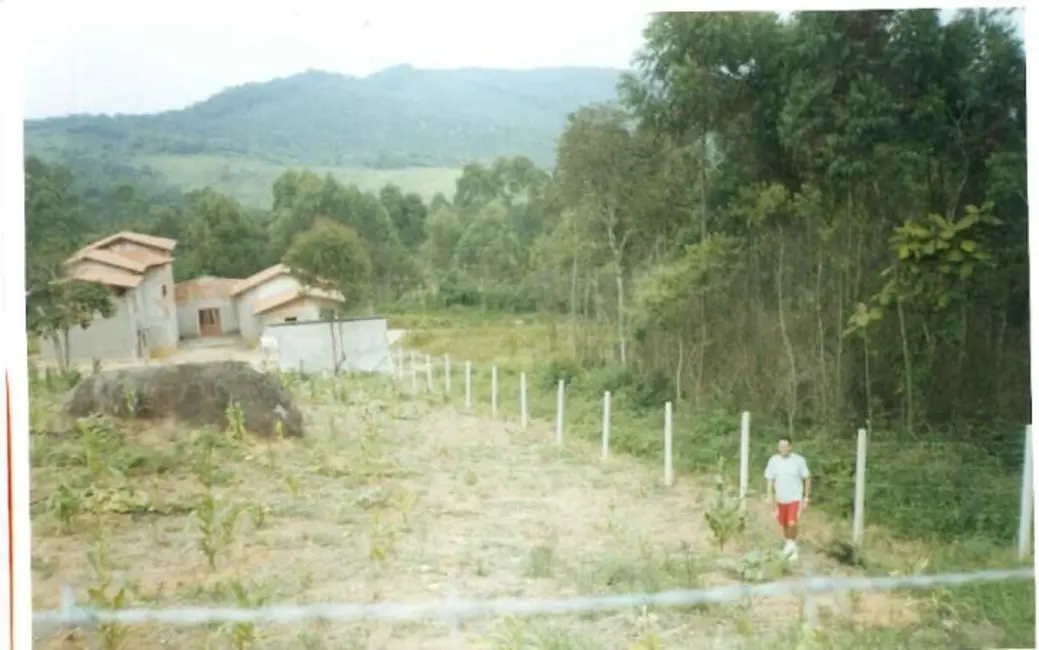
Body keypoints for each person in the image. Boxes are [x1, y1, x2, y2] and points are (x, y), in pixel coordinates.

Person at [764, 436, 811, 561]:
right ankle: (789, 544)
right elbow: (769, 479)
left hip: (795, 497)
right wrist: (769, 495)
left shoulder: (799, 460)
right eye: (781, 446)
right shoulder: (774, 460)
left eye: (785, 446)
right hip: (780, 498)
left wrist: (806, 497)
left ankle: (792, 547)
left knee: (792, 522)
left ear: (790, 447)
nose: (783, 448)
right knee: (784, 524)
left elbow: (807, 478)